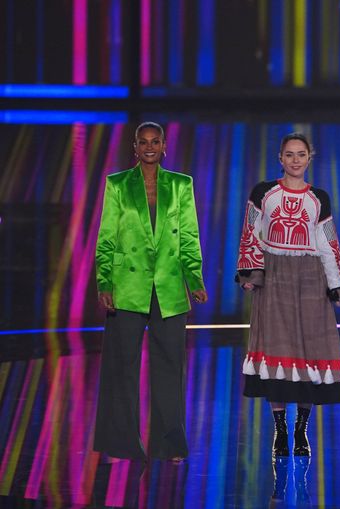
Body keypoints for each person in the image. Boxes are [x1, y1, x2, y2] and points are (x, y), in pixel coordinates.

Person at [94, 121, 208, 461]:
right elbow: (106, 239)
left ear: (163, 147)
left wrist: (195, 279)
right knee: (122, 367)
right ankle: (120, 444)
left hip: (169, 287)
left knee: (170, 368)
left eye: (155, 141)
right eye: (143, 141)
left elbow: (188, 237)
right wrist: (104, 282)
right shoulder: (117, 184)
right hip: (127, 288)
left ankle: (169, 443)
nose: (148, 146)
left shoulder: (180, 185)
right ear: (134, 146)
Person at [236, 132, 340, 459]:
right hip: (273, 278)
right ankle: (280, 429)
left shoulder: (319, 198)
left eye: (301, 154)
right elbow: (251, 233)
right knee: (278, 349)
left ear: (310, 157)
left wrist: (337, 284)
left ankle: (301, 429)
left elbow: (328, 243)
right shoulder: (264, 192)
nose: (296, 160)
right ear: (280, 158)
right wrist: (250, 273)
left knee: (308, 353)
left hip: (310, 279)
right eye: (290, 154)